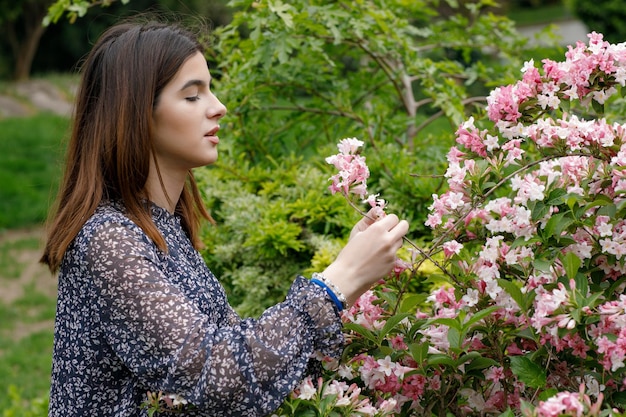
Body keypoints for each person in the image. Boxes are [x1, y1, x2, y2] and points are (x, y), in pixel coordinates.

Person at [40, 17, 409, 417]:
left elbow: (252, 369)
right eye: (193, 95)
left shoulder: (161, 230)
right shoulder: (108, 240)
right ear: (136, 113)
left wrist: (353, 280)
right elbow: (219, 378)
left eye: (210, 90)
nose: (219, 107)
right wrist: (338, 280)